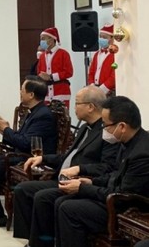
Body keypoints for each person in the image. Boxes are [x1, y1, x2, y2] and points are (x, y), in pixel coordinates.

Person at [12, 85, 118, 246]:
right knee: (23, 189)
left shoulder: (107, 132)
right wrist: (43, 158)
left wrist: (80, 170)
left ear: (90, 107)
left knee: (43, 197)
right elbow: (68, 156)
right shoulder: (84, 128)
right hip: (62, 176)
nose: (73, 107)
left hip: (79, 181)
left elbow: (107, 167)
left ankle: (41, 242)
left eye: (77, 103)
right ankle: (35, 240)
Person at [0, 76, 57, 228]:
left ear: (31, 94)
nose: (20, 92)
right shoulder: (32, 111)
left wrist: (5, 130)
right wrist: (5, 128)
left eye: (22, 90)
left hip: (29, 158)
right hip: (20, 154)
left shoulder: (43, 115)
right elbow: (21, 137)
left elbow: (27, 144)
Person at [56, 96, 149, 247]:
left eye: (106, 125)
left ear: (122, 126)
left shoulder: (142, 153)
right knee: (62, 201)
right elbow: (115, 175)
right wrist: (91, 181)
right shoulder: (125, 141)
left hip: (127, 207)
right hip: (113, 198)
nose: (103, 130)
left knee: (69, 209)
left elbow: (122, 195)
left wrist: (83, 189)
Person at [37, 27, 74, 108]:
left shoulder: (63, 54)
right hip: (46, 92)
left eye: (43, 39)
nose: (41, 41)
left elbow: (69, 72)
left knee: (62, 118)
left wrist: (51, 77)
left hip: (61, 91)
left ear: (51, 39)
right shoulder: (42, 56)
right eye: (41, 39)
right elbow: (39, 71)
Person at [88, 24, 115, 95]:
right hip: (95, 89)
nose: (101, 39)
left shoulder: (115, 55)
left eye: (104, 37)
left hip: (109, 90)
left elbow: (114, 75)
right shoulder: (96, 54)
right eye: (100, 36)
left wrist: (102, 88)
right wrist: (92, 85)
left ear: (112, 38)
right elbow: (91, 72)